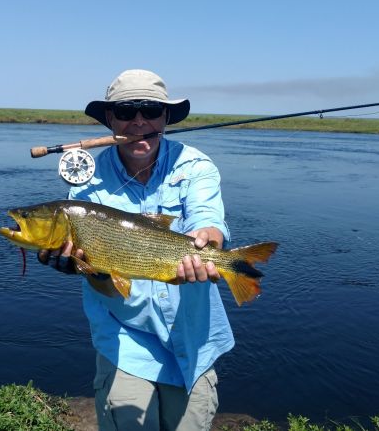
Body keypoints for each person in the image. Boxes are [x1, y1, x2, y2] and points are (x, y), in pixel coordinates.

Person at [38, 69, 234, 430]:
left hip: (193, 337)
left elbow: (208, 220)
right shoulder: (86, 185)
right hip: (124, 341)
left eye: (151, 110)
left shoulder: (196, 166)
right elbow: (105, 283)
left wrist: (209, 243)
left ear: (166, 117)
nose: (139, 121)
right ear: (111, 118)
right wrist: (86, 268)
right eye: (127, 112)